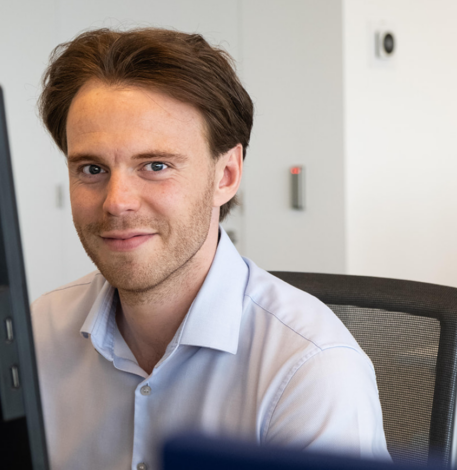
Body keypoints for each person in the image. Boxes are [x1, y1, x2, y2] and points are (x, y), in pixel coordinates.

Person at [33, 28, 390, 470]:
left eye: (156, 166)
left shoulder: (309, 369)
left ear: (226, 175)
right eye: (92, 168)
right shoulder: (36, 337)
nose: (116, 201)